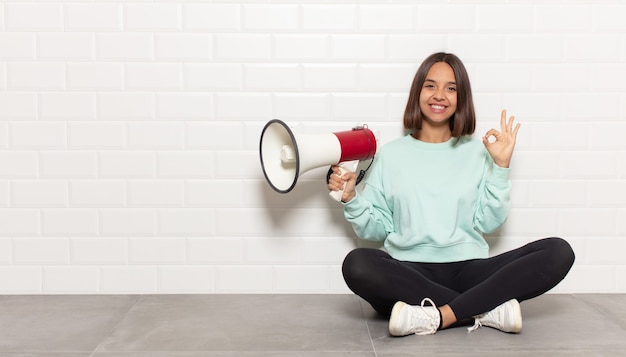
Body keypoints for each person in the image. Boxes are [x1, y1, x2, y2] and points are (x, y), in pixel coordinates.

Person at [327, 52, 575, 336]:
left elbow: (489, 223)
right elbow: (377, 229)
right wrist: (351, 199)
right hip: (409, 273)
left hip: (470, 272)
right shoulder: (391, 155)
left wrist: (501, 166)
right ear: (417, 92)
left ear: (461, 98)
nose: (440, 95)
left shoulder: (479, 153)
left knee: (558, 251)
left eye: (451, 88)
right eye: (430, 85)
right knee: (357, 264)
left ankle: (435, 315)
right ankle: (483, 308)